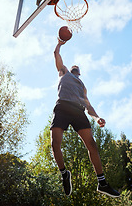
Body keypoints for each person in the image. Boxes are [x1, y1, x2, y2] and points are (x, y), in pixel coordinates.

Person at [50, 39, 120, 198]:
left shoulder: (82, 86)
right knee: (55, 143)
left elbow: (89, 106)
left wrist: (97, 118)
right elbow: (56, 54)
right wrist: (60, 43)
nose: (74, 67)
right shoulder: (64, 72)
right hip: (62, 106)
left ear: (79, 73)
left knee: (92, 144)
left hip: (78, 111)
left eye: (77, 68)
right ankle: (64, 173)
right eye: (72, 66)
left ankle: (102, 183)